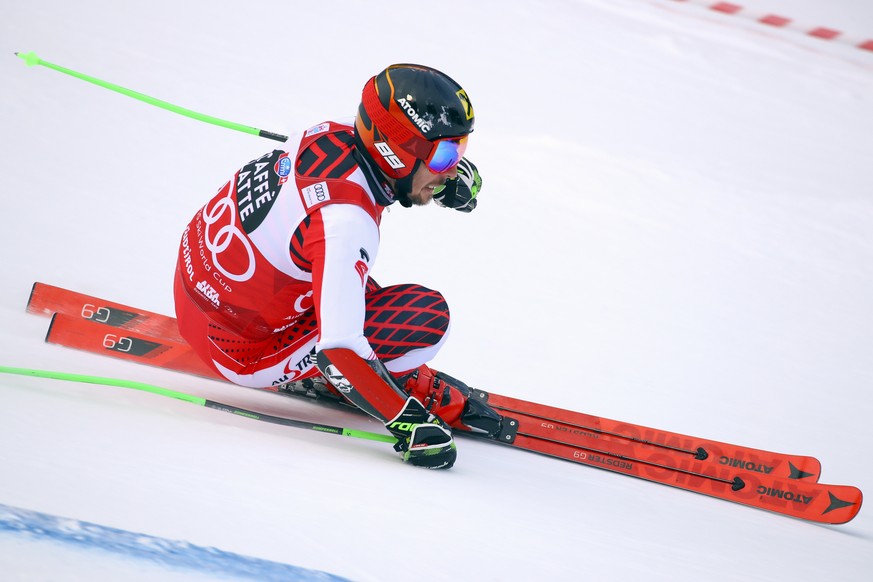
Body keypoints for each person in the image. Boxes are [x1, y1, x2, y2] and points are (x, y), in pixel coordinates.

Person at [173, 63, 503, 470]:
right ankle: (344, 379)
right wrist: (407, 423)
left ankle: (341, 348)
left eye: (460, 151)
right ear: (395, 154)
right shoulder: (346, 222)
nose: (452, 166)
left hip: (199, 289)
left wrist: (438, 178)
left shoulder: (335, 132)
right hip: (240, 351)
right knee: (427, 320)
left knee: (343, 275)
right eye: (444, 155)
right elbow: (339, 350)